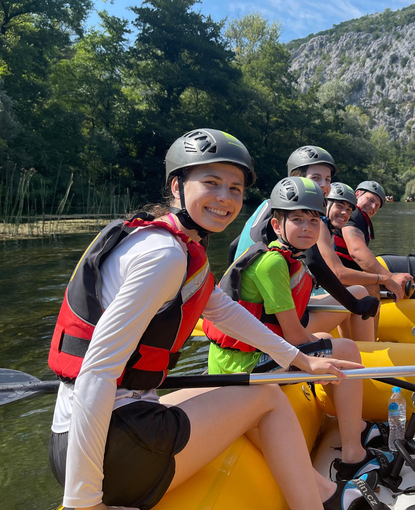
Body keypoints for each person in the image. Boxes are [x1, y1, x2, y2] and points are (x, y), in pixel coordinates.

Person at [46, 129, 376, 510]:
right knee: (266, 398)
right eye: (212, 183)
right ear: (177, 185)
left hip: (72, 438)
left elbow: (223, 310)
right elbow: (97, 369)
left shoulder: (168, 244)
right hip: (113, 453)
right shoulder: (164, 256)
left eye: (235, 189)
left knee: (242, 391)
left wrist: (301, 360)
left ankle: (321, 494)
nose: (225, 198)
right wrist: (82, 501)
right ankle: (320, 502)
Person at [204, 177, 392, 479]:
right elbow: (293, 336)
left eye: (313, 220)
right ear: (277, 226)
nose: (307, 227)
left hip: (256, 354)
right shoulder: (273, 264)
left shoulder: (289, 256)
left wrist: (320, 345)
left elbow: (291, 332)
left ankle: (352, 426)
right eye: (297, 219)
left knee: (326, 340)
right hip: (244, 365)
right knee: (344, 348)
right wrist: (323, 355)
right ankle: (353, 455)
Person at [231, 146, 381, 328]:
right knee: (359, 293)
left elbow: (234, 246)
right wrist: (355, 305)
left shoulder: (269, 205)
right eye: (316, 178)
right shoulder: (294, 218)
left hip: (246, 310)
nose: (325, 186)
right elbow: (314, 263)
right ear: (295, 178)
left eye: (327, 179)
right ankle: (367, 350)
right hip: (263, 321)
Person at [332, 180, 414, 303]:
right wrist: (390, 278)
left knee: (405, 281)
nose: (372, 207)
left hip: (348, 274)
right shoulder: (354, 213)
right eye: (370, 200)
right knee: (372, 287)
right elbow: (357, 251)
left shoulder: (360, 217)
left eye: (377, 205)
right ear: (357, 194)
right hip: (338, 277)